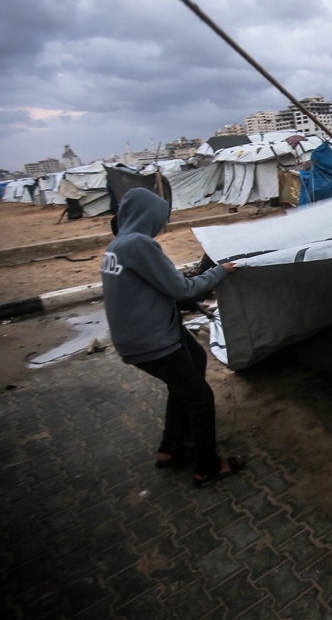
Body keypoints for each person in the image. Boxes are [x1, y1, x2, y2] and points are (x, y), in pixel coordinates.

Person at [101, 188, 244, 487]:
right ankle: (206, 467)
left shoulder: (118, 245)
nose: (162, 223)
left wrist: (191, 282)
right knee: (200, 397)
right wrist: (220, 271)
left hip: (140, 334)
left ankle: (171, 450)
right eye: (160, 217)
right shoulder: (140, 244)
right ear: (147, 215)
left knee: (196, 358)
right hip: (152, 341)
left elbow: (156, 287)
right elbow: (182, 291)